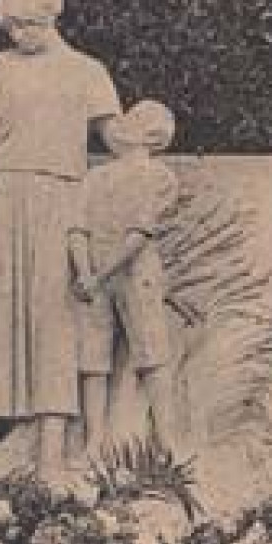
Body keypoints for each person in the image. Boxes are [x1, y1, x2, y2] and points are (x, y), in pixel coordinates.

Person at [0, 0, 121, 484]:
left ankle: (50, 441)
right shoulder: (0, 68)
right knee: (0, 309)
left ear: (51, 15)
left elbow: (117, 137)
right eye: (11, 26)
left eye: (26, 23)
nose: (18, 35)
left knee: (53, 313)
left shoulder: (88, 73)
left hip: (60, 194)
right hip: (4, 193)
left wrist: (150, 143)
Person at [68, 100, 182, 461]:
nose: (122, 122)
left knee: (151, 351)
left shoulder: (160, 178)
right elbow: (77, 227)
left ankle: (166, 441)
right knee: (92, 357)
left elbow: (139, 235)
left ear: (152, 134)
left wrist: (96, 276)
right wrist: (84, 272)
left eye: (134, 117)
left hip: (136, 273)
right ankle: (94, 442)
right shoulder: (95, 177)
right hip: (94, 277)